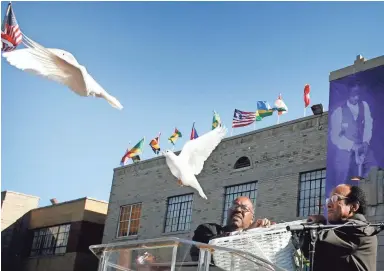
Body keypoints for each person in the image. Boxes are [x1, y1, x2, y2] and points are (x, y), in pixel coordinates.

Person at [301, 184, 378, 271]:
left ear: (353, 207)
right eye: (328, 200)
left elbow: (319, 242)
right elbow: (309, 251)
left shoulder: (360, 229)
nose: (328, 205)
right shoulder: (339, 230)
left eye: (335, 199)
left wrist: (316, 224)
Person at [189, 196, 273, 261]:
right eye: (235, 206)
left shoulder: (258, 242)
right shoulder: (208, 229)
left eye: (244, 208)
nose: (238, 210)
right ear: (228, 211)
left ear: (252, 219)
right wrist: (245, 233)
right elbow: (197, 251)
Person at [330, 82, 376, 185]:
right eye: (353, 95)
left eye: (358, 94)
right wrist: (352, 145)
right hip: (345, 151)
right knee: (345, 177)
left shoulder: (364, 105)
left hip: (362, 148)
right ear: (348, 94)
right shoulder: (338, 112)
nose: (356, 97)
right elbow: (335, 137)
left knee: (371, 169)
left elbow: (368, 124)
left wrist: (365, 142)